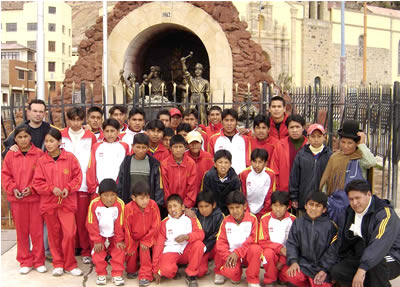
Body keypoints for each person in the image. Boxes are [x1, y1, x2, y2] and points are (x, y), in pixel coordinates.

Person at [32, 128, 83, 277]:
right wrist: (51, 189)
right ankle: (58, 263)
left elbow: (78, 177)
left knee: (69, 233)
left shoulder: (70, 158)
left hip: (67, 203)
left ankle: (70, 264)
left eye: (52, 141)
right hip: (49, 203)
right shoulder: (42, 161)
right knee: (54, 235)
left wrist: (68, 188)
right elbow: (37, 182)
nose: (48, 144)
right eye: (46, 141)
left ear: (60, 142)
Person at [330, 179, 400, 287]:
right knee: (338, 270)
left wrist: (363, 268)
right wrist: (326, 266)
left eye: (358, 198)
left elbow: (379, 244)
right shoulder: (349, 213)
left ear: (368, 194)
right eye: (351, 199)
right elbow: (340, 239)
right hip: (363, 257)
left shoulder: (385, 213)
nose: (354, 203)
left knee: (374, 266)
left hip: (391, 256)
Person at [1, 125, 46, 274]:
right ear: (15, 139)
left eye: (25, 136)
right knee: (21, 232)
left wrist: (32, 188)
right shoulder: (10, 155)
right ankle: (25, 260)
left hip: (34, 200)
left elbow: (42, 176)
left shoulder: (39, 154)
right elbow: (5, 175)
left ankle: (38, 261)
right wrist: (13, 188)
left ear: (30, 137)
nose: (23, 140)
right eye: (19, 137)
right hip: (17, 201)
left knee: (37, 231)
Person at [320, 120, 376, 228]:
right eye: (343, 142)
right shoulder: (335, 157)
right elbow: (326, 182)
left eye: (350, 143)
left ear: (356, 144)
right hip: (335, 206)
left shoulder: (361, 159)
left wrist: (362, 145)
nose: (345, 146)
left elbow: (371, 162)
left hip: (355, 207)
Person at [61, 107, 97, 264]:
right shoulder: (60, 135)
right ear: (68, 120)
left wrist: (91, 181)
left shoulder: (90, 137)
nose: (75, 123)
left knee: (83, 219)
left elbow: (94, 160)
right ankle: (71, 247)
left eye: (78, 119)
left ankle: (85, 250)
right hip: (64, 186)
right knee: (68, 219)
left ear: (83, 120)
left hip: (82, 184)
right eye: (72, 119)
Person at [279, 192, 338, 287]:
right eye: (311, 204)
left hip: (321, 268)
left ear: (324, 209)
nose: (313, 208)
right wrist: (294, 261)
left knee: (322, 284)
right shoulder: (298, 223)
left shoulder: (330, 226)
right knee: (290, 275)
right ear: (305, 206)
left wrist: (324, 269)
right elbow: (292, 244)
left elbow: (333, 251)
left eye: (318, 206)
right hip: (302, 264)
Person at [152, 194, 205, 287]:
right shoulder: (164, 223)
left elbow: (201, 234)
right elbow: (158, 245)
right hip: (171, 250)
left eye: (175, 206)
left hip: (187, 250)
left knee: (199, 245)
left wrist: (187, 237)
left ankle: (191, 274)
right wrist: (155, 269)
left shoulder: (191, 218)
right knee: (166, 271)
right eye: (169, 207)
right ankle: (174, 271)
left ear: (182, 207)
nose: (173, 209)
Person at [214, 191, 262, 287]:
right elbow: (221, 242)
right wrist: (228, 256)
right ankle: (224, 272)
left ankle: (252, 279)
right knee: (218, 248)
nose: (235, 211)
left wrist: (238, 252)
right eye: (231, 208)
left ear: (244, 206)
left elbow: (253, 239)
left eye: (237, 207)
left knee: (256, 249)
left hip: (246, 254)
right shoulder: (226, 220)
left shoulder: (252, 219)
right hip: (231, 255)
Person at [86, 179, 126, 286]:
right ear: (99, 195)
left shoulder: (120, 204)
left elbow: (120, 223)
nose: (109, 199)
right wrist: (97, 240)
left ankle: (117, 274)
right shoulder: (94, 204)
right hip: (99, 233)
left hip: (115, 233)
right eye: (106, 195)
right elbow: (91, 223)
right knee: (98, 251)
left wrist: (118, 240)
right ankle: (101, 274)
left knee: (119, 249)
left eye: (113, 195)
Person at [290, 123, 332, 216]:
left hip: (322, 201)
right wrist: (294, 197)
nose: (316, 139)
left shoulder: (329, 155)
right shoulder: (301, 155)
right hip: (304, 200)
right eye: (313, 136)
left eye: (319, 136)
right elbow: (295, 177)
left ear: (324, 137)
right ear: (308, 137)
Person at [124, 181, 161, 286]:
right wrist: (130, 244)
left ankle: (145, 275)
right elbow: (126, 228)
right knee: (130, 254)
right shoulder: (128, 208)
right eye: (141, 198)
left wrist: (147, 239)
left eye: (147, 197)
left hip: (149, 236)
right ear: (133, 198)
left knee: (144, 248)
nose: (145, 201)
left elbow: (156, 224)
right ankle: (132, 270)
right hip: (134, 237)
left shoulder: (153, 205)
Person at [259, 191, 295, 286]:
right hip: (271, 252)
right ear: (271, 206)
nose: (278, 209)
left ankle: (279, 276)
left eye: (282, 206)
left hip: (287, 254)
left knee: (286, 276)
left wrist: (282, 260)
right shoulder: (265, 219)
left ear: (288, 207)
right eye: (275, 205)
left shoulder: (293, 220)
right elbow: (262, 242)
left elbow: (295, 244)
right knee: (268, 254)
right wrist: (279, 248)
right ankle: (270, 280)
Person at [117, 133, 163, 207]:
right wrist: (120, 201)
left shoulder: (153, 164)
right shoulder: (127, 162)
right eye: (138, 147)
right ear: (132, 146)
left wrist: (157, 204)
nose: (141, 150)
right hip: (129, 203)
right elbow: (120, 183)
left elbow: (158, 186)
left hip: (147, 203)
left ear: (148, 148)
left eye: (143, 147)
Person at [87, 119, 129, 194]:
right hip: (99, 189)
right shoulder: (96, 146)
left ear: (118, 132)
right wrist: (93, 188)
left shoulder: (124, 146)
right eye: (107, 131)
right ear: (103, 132)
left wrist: (122, 187)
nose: (109, 134)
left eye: (112, 131)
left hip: (118, 190)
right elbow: (91, 167)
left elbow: (127, 168)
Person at [271, 114, 307, 192]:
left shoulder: (309, 145)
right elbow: (274, 170)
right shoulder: (280, 145)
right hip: (284, 191)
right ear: (287, 129)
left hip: (305, 191)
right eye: (291, 127)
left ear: (303, 128)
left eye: (297, 127)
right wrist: (276, 191)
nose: (294, 130)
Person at [160, 135, 197, 208]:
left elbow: (192, 187)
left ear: (185, 148)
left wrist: (185, 205)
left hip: (186, 206)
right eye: (175, 147)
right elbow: (165, 188)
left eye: (180, 147)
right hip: (170, 206)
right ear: (170, 148)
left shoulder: (191, 163)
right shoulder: (164, 164)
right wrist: (171, 205)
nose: (178, 150)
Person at [194, 191, 224, 278]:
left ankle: (219, 271)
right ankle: (205, 262)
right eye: (201, 206)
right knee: (199, 273)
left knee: (220, 245)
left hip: (211, 247)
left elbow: (217, 237)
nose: (203, 209)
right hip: (200, 248)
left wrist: (204, 248)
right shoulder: (194, 214)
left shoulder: (219, 216)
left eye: (206, 206)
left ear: (213, 205)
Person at [209, 108, 249, 174]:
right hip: (221, 179)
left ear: (236, 122)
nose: (229, 123)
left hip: (241, 178)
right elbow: (210, 160)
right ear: (222, 121)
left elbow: (248, 161)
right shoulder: (213, 139)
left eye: (232, 120)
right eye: (226, 120)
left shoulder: (245, 139)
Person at [239, 148, 276, 220]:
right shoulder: (244, 174)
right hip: (247, 210)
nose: (257, 165)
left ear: (265, 163)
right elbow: (243, 194)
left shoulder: (271, 174)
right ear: (250, 161)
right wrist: (247, 211)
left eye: (260, 162)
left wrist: (263, 212)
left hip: (264, 211)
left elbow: (270, 195)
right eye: (254, 162)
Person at [201, 149, 241, 215]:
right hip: (212, 212)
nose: (223, 165)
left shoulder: (235, 179)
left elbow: (236, 199)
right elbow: (205, 196)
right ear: (215, 164)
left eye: (226, 162)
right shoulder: (208, 177)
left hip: (229, 212)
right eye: (220, 162)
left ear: (230, 164)